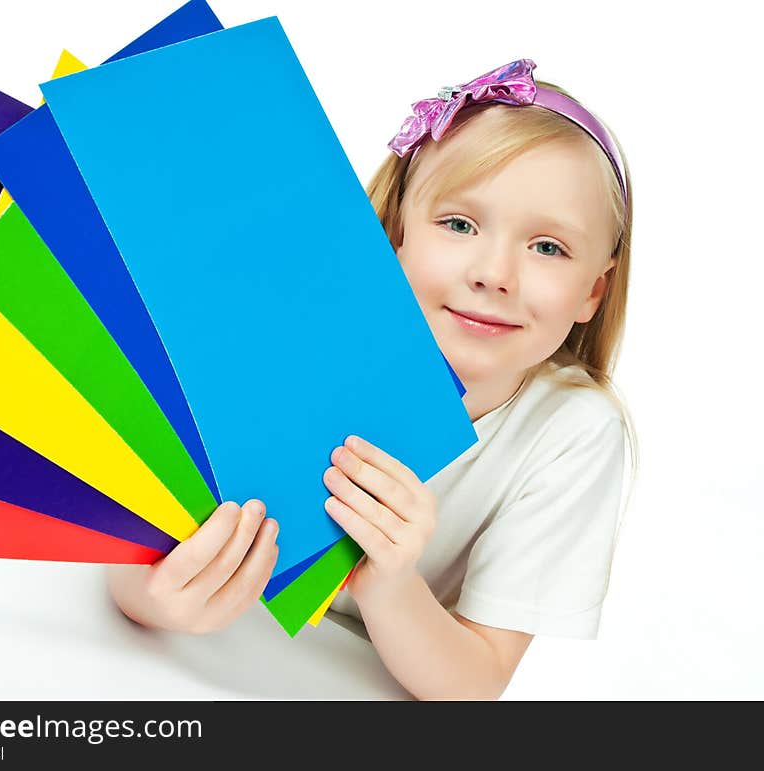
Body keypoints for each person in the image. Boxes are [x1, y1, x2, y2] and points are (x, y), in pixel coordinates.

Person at [107, 59, 636, 700]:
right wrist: (155, 602)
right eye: (460, 224)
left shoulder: (574, 432)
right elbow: (129, 543)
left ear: (594, 291)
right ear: (395, 232)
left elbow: (471, 688)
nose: (496, 273)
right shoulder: (289, 326)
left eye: (548, 247)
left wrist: (389, 577)